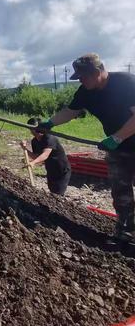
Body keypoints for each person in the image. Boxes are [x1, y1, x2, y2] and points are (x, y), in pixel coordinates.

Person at [37, 53, 135, 242]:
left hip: (123, 139)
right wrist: (50, 123)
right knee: (120, 191)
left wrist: (116, 137)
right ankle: (127, 232)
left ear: (98, 71)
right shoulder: (86, 91)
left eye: (83, 76)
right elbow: (71, 111)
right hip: (120, 148)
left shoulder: (126, 83)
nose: (80, 79)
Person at [20, 117, 71, 195]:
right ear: (30, 129)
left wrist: (33, 163)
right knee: (52, 192)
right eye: (33, 128)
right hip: (50, 169)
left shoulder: (49, 138)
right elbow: (36, 156)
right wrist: (24, 148)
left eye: (39, 127)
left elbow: (45, 155)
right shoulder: (34, 141)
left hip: (62, 170)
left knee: (58, 194)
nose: (37, 130)